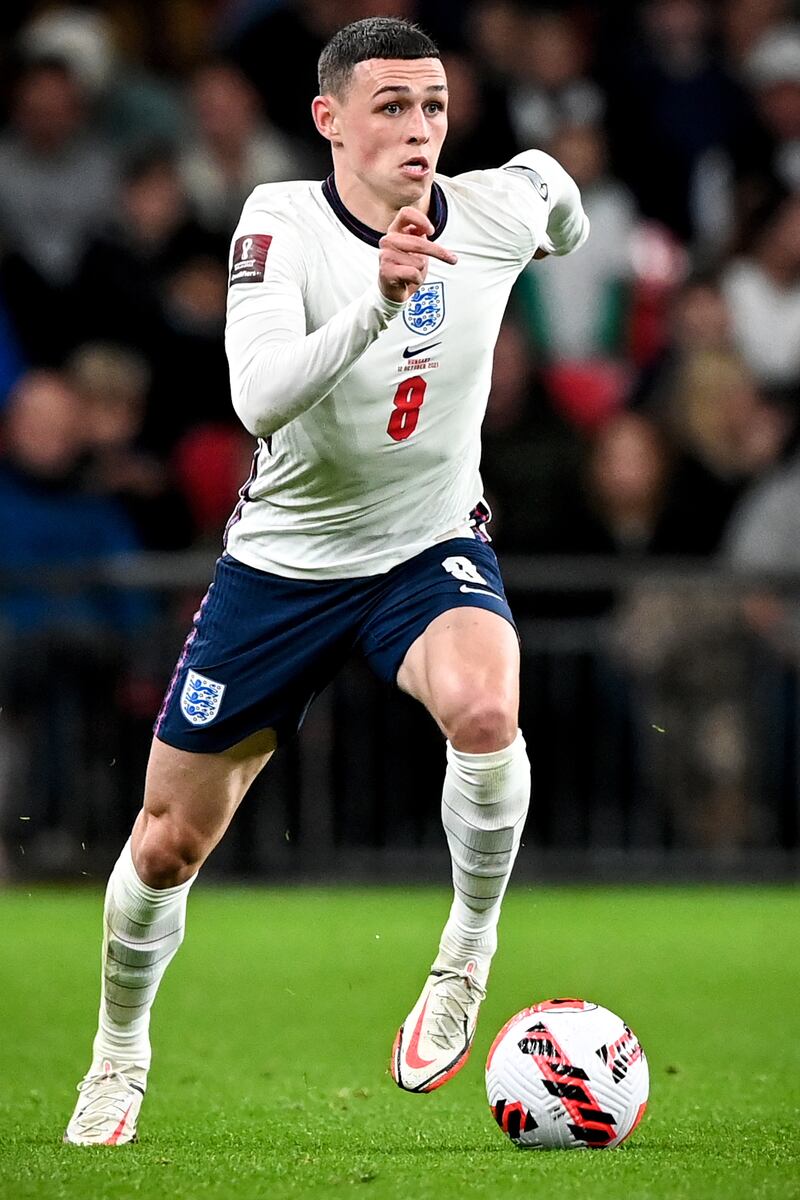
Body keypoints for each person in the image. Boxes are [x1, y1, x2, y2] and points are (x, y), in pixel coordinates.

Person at [64, 16, 589, 1146]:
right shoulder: (279, 222)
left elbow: (560, 210)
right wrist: (379, 301)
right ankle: (117, 1053)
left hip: (425, 545)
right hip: (284, 568)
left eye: (434, 105)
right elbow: (255, 398)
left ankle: (464, 954)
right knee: (166, 843)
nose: (418, 128)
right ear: (329, 119)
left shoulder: (496, 204)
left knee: (488, 709)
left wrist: (552, 210)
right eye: (391, 106)